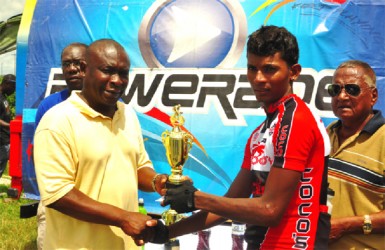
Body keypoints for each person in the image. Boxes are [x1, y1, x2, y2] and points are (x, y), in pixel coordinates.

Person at [151, 25, 331, 249]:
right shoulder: (260, 133)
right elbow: (229, 203)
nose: (258, 78)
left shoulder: (297, 120)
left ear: (293, 72)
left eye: (269, 69)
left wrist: (195, 198)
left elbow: (270, 210)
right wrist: (165, 232)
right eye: (252, 68)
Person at [34, 38, 168, 249]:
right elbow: (58, 194)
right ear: (85, 69)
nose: (117, 80)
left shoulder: (128, 115)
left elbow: (138, 166)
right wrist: (123, 218)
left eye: (123, 73)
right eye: (107, 70)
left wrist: (157, 181)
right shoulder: (57, 121)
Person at [34, 42, 87, 250]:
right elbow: (40, 156)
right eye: (66, 64)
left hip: (96, 199)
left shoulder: (108, 106)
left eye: (78, 63)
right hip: (55, 201)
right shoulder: (49, 106)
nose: (72, 69)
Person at [326, 60, 385, 249]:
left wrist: (346, 226)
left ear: (373, 95)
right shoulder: (326, 134)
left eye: (352, 89)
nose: (342, 96)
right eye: (335, 90)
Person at [0, 74, 16, 178]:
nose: (14, 90)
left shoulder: (3, 97)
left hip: (6, 137)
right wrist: (10, 125)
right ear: (6, 83)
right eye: (13, 86)